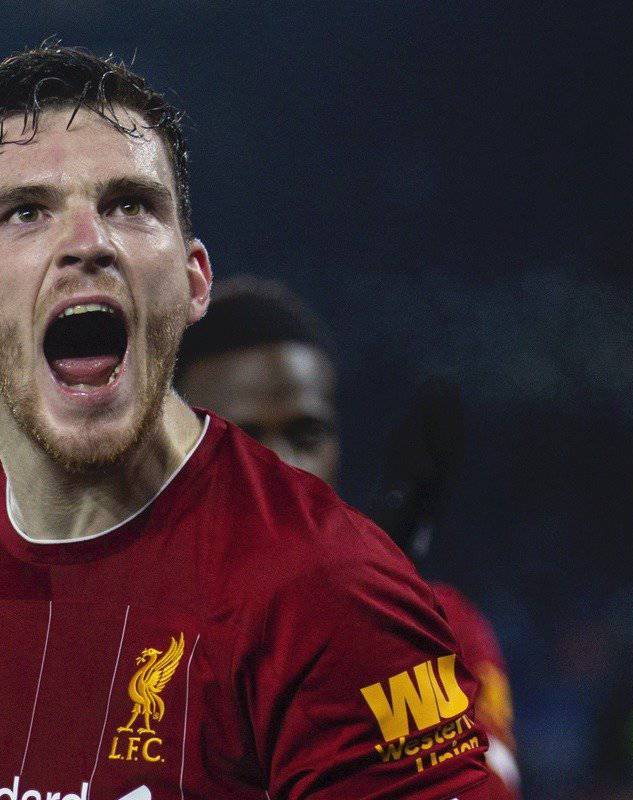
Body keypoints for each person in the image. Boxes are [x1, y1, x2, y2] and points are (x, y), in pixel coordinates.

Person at [0, 44, 492, 800]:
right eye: (26, 212)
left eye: (130, 204)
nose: (88, 244)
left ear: (193, 282)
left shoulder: (328, 590)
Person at [177, 278, 521, 798]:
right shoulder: (107, 635)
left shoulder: (439, 628)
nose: (283, 467)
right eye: (241, 438)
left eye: (305, 434)